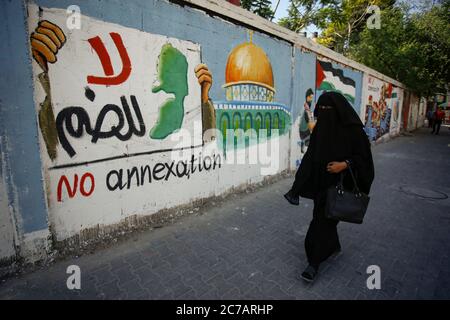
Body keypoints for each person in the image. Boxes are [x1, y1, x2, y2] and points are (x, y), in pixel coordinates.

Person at [284, 91, 375, 282]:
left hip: (341, 185)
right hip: (321, 184)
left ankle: (313, 263)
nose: (325, 112)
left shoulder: (353, 130)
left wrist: (345, 164)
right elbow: (310, 157)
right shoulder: (322, 128)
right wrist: (296, 187)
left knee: (320, 223)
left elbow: (364, 158)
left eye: (329, 109)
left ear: (338, 110)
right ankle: (333, 246)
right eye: (322, 108)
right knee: (325, 218)